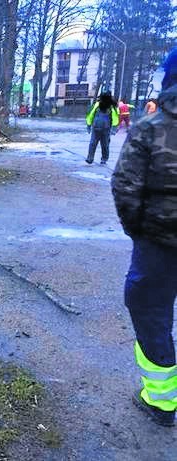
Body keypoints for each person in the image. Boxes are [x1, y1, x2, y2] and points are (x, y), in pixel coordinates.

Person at [111, 46, 177, 427]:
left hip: (159, 245)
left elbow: (125, 186)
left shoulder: (151, 128)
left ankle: (163, 402)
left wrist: (137, 229)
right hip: (156, 241)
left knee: (151, 312)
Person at [85, 92, 119, 165]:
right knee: (93, 143)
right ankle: (90, 158)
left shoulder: (112, 107)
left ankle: (104, 159)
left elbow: (115, 118)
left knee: (105, 145)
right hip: (95, 128)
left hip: (106, 130)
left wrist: (114, 128)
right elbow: (91, 115)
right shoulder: (97, 105)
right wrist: (88, 125)